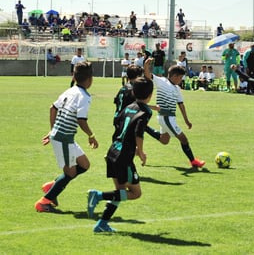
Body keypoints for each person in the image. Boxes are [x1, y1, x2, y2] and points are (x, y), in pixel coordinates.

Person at [87, 77, 154, 232]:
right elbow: (139, 133)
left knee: (120, 191)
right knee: (135, 193)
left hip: (113, 151)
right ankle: (98, 195)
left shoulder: (129, 106)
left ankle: (101, 224)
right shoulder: (145, 111)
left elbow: (119, 126)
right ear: (150, 95)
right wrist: (141, 152)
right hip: (123, 157)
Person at [34, 62, 99, 212]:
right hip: (64, 138)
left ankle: (53, 186)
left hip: (65, 136)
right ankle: (44, 202)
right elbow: (81, 119)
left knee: (84, 165)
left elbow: (53, 108)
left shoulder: (69, 91)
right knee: (70, 172)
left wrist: (52, 130)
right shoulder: (84, 97)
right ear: (90, 79)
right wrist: (91, 135)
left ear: (74, 76)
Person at [143, 58, 206, 168]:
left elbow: (181, 104)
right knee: (184, 139)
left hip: (170, 118)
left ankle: (144, 127)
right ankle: (193, 161)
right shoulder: (162, 81)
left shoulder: (177, 88)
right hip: (166, 117)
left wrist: (186, 120)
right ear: (174, 76)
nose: (181, 80)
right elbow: (148, 76)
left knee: (164, 140)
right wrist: (146, 65)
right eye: (180, 78)